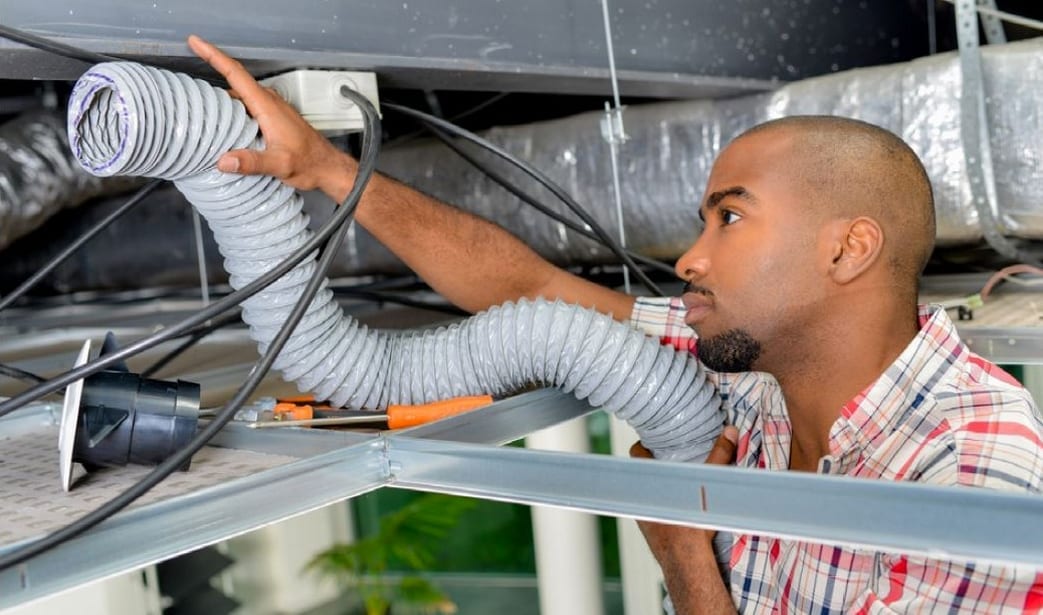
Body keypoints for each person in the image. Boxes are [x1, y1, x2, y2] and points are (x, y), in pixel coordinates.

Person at [187, 35, 1043, 613]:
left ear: (848, 248)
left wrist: (683, 560)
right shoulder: (754, 374)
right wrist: (332, 171)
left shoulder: (972, 473)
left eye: (729, 219)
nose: (690, 259)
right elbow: (528, 290)